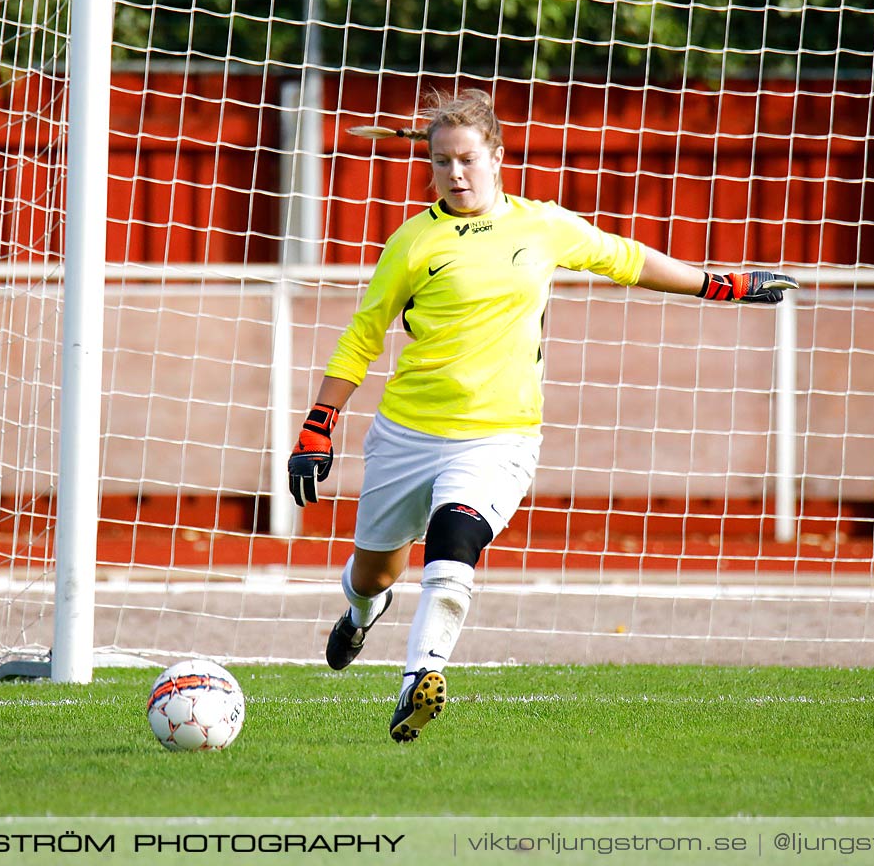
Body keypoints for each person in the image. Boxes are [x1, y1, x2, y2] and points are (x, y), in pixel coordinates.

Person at [288, 87, 798, 743]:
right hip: (408, 433)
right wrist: (319, 422)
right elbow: (363, 336)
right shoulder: (414, 242)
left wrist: (717, 284)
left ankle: (421, 678)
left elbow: (628, 259)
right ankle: (362, 614)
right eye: (442, 163)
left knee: (454, 546)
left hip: (498, 438)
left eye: (468, 159)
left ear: (497, 155)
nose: (456, 174)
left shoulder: (542, 225)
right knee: (373, 573)